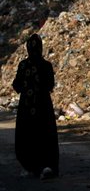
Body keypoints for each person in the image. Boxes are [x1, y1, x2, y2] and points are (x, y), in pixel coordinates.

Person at [12, 34, 59, 179]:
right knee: (45, 133)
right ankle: (47, 165)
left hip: (26, 106)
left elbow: (16, 85)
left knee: (26, 134)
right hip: (43, 105)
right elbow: (50, 85)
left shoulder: (23, 65)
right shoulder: (46, 65)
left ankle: (30, 165)